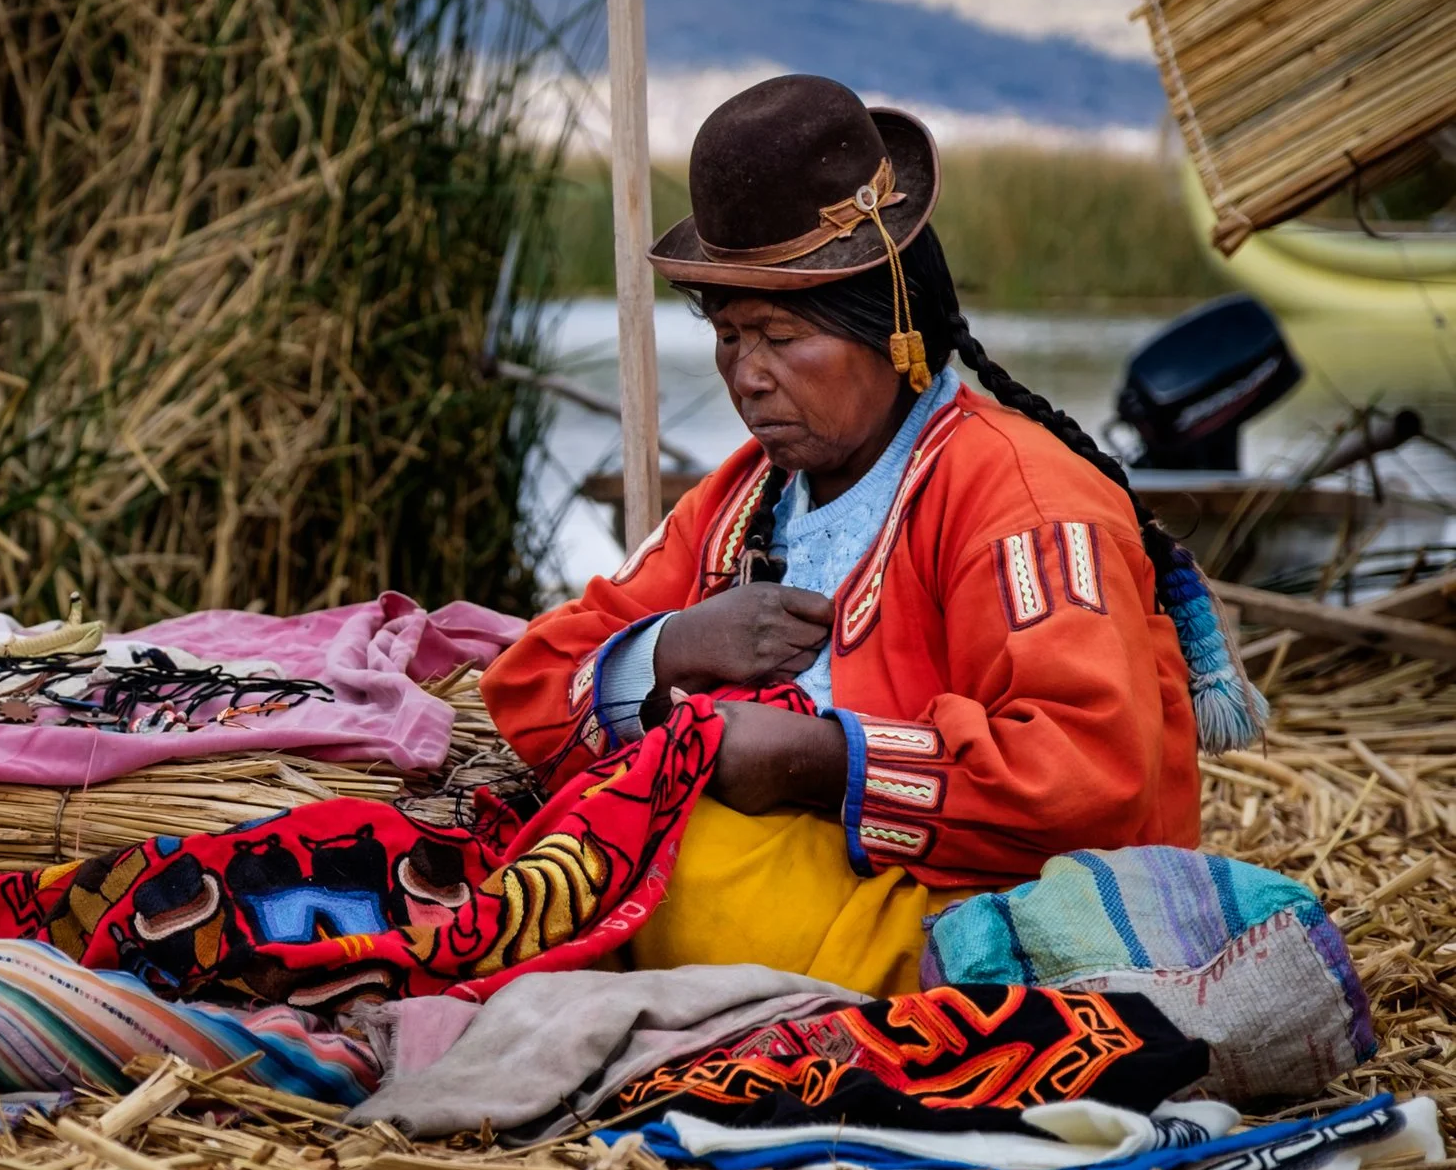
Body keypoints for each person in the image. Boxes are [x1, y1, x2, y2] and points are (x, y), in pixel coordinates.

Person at [483, 75, 1260, 996]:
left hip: (966, 912)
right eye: (730, 337)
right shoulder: (748, 499)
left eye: (777, 334)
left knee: (660, 876)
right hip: (809, 892)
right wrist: (674, 646)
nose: (748, 376)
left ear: (889, 328)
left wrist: (824, 764)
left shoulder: (1021, 498)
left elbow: (1092, 774)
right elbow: (530, 687)